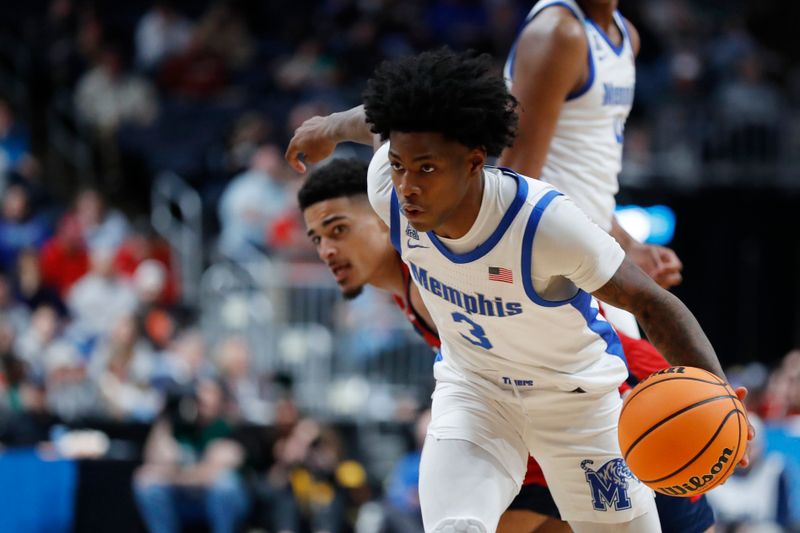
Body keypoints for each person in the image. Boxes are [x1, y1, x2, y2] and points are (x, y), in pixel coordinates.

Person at [286, 48, 754, 533]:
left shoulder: (544, 222)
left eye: (426, 169)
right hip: (477, 396)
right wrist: (330, 126)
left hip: (576, 404)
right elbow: (386, 126)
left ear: (473, 161)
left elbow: (651, 304)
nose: (408, 185)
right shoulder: (388, 189)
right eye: (401, 166)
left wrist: (722, 398)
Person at [499, 2, 718, 532]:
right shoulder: (558, 33)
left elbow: (584, 182)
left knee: (579, 492)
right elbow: (517, 188)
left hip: (593, 260)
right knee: (644, 462)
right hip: (556, 277)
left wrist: (624, 245)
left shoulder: (627, 37)